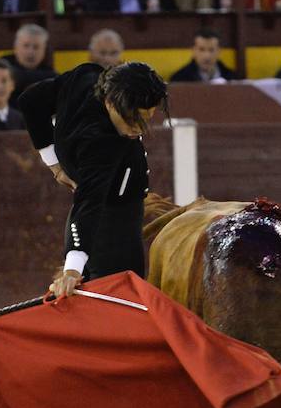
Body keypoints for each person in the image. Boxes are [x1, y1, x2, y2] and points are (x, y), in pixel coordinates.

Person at [19, 61, 169, 297]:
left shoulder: (87, 76)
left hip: (94, 216)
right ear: (110, 102)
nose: (139, 129)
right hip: (112, 222)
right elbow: (90, 203)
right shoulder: (102, 141)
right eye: (132, 118)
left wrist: (54, 164)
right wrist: (72, 270)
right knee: (124, 299)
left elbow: (30, 101)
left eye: (147, 118)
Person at [1, 23, 56, 107]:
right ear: (15, 47)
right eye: (26, 46)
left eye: (36, 47)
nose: (30, 52)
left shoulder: (48, 71)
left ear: (44, 50)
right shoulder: (3, 64)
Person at [170, 28, 237, 82]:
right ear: (194, 51)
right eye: (201, 49)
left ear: (218, 51)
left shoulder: (232, 78)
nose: (206, 56)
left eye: (211, 50)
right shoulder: (179, 80)